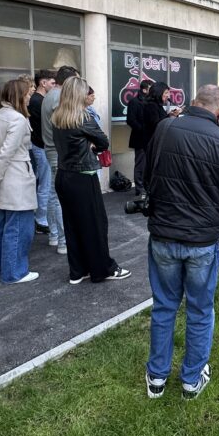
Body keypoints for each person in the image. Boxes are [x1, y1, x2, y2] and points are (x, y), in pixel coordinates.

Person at [144, 85, 219, 400]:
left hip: (164, 235)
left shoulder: (165, 127)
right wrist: (208, 214)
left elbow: (148, 177)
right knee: (200, 309)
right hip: (200, 239)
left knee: (164, 306)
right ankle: (190, 378)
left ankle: (157, 377)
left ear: (193, 102)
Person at [53, 76, 131, 284]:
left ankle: (78, 270)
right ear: (80, 94)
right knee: (95, 225)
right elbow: (104, 141)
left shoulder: (57, 116)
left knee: (73, 225)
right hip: (82, 177)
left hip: (63, 175)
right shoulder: (83, 117)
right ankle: (102, 269)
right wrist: (91, 146)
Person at [0, 78, 38, 285]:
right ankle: (14, 272)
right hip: (16, 178)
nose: (30, 97)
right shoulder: (18, 119)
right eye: (27, 94)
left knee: (3, 224)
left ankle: (0, 266)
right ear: (19, 96)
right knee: (19, 227)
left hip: (2, 178)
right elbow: (6, 152)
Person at [41, 65, 79, 255]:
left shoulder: (50, 95)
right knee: (62, 198)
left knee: (54, 194)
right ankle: (64, 241)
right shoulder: (58, 97)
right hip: (59, 152)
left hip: (52, 150)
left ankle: (55, 236)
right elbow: (65, 125)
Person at [27, 69, 55, 235]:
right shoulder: (39, 101)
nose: (54, 85)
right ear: (43, 83)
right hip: (42, 147)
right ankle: (41, 219)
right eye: (52, 82)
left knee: (45, 183)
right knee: (45, 184)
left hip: (42, 146)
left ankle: (42, 217)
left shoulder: (40, 100)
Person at [125, 79, 152, 199]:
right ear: (144, 89)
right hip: (140, 138)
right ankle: (139, 188)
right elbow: (131, 120)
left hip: (150, 138)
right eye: (151, 89)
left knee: (149, 164)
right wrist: (142, 129)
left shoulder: (151, 102)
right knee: (140, 164)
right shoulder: (134, 102)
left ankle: (147, 187)